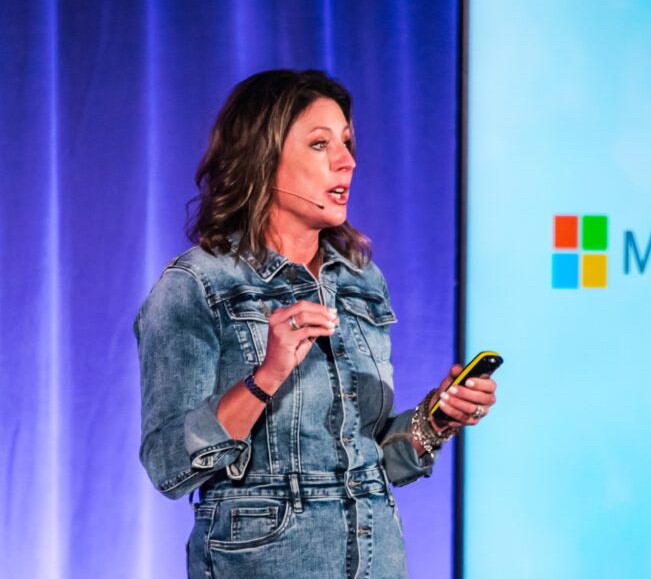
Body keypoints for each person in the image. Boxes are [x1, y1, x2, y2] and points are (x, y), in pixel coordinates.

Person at [135, 69, 497, 579]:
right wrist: (267, 376)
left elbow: (372, 463)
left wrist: (435, 420)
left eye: (347, 143)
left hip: (377, 557)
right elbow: (168, 464)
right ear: (263, 157)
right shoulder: (197, 283)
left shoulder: (361, 280)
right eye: (320, 144)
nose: (347, 160)